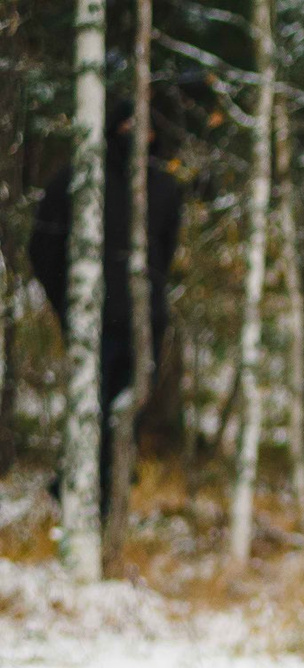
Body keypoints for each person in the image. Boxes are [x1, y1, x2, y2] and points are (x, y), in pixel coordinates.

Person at [27, 100, 185, 514]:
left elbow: (164, 256)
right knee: (90, 406)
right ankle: (78, 493)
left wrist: (151, 299)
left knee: (127, 411)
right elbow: (42, 247)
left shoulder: (164, 187)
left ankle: (111, 493)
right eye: (129, 125)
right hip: (91, 319)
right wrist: (69, 303)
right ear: (115, 126)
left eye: (146, 127)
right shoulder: (78, 180)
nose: (138, 135)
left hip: (142, 321)